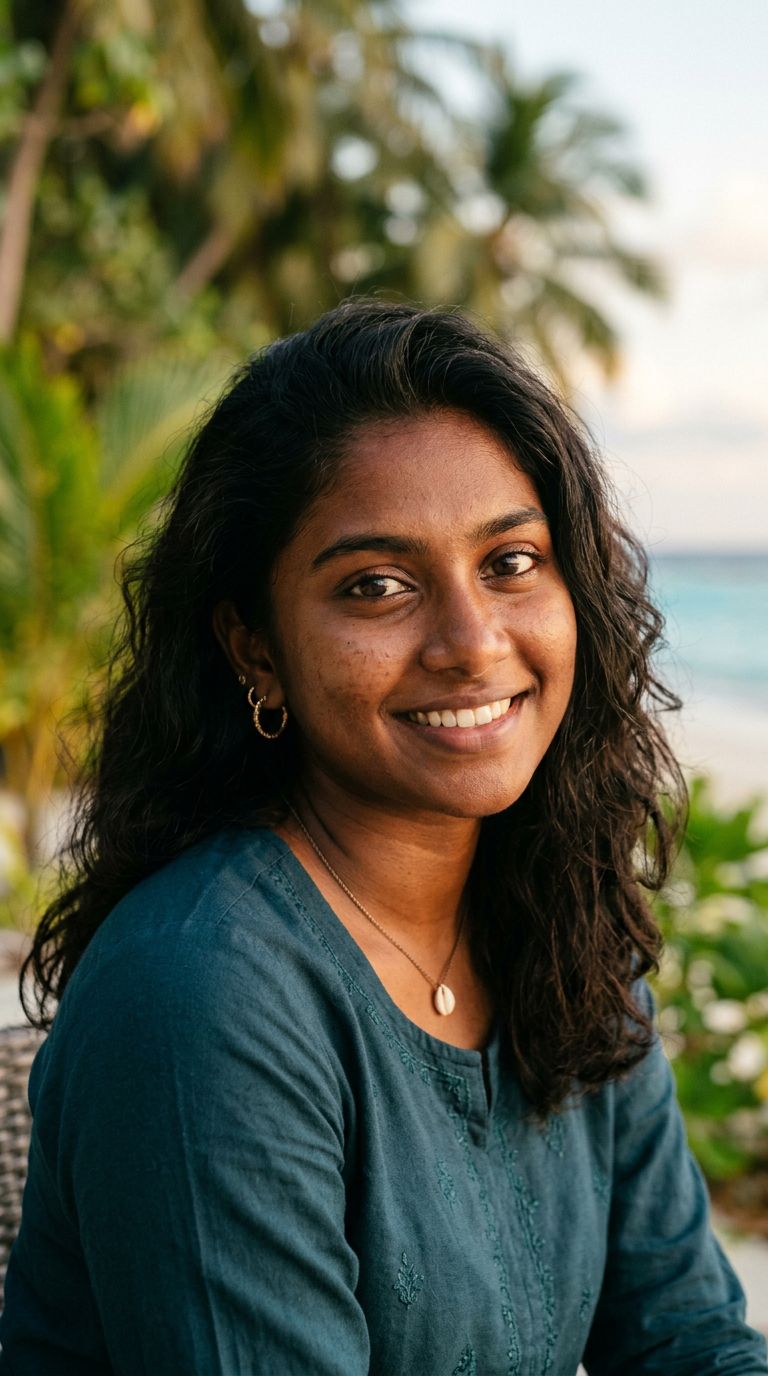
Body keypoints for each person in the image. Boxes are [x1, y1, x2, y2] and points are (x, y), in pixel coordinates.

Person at [1, 300, 765, 1376]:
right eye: (377, 586)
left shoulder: (560, 928)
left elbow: (691, 1337)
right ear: (254, 647)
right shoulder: (203, 991)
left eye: (511, 560)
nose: (470, 640)